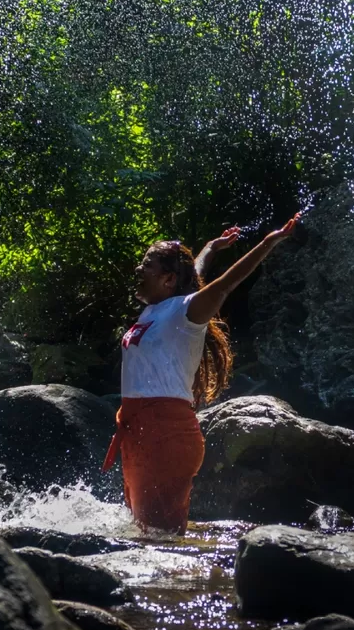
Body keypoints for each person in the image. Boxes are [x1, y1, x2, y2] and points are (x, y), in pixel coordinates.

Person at [102, 215, 299, 533]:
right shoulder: (156, 308)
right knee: (144, 531)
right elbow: (195, 273)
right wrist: (211, 247)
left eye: (146, 264)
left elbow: (225, 285)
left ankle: (182, 582)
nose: (138, 270)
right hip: (138, 432)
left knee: (159, 540)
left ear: (167, 279)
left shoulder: (187, 311)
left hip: (165, 435)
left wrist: (268, 242)